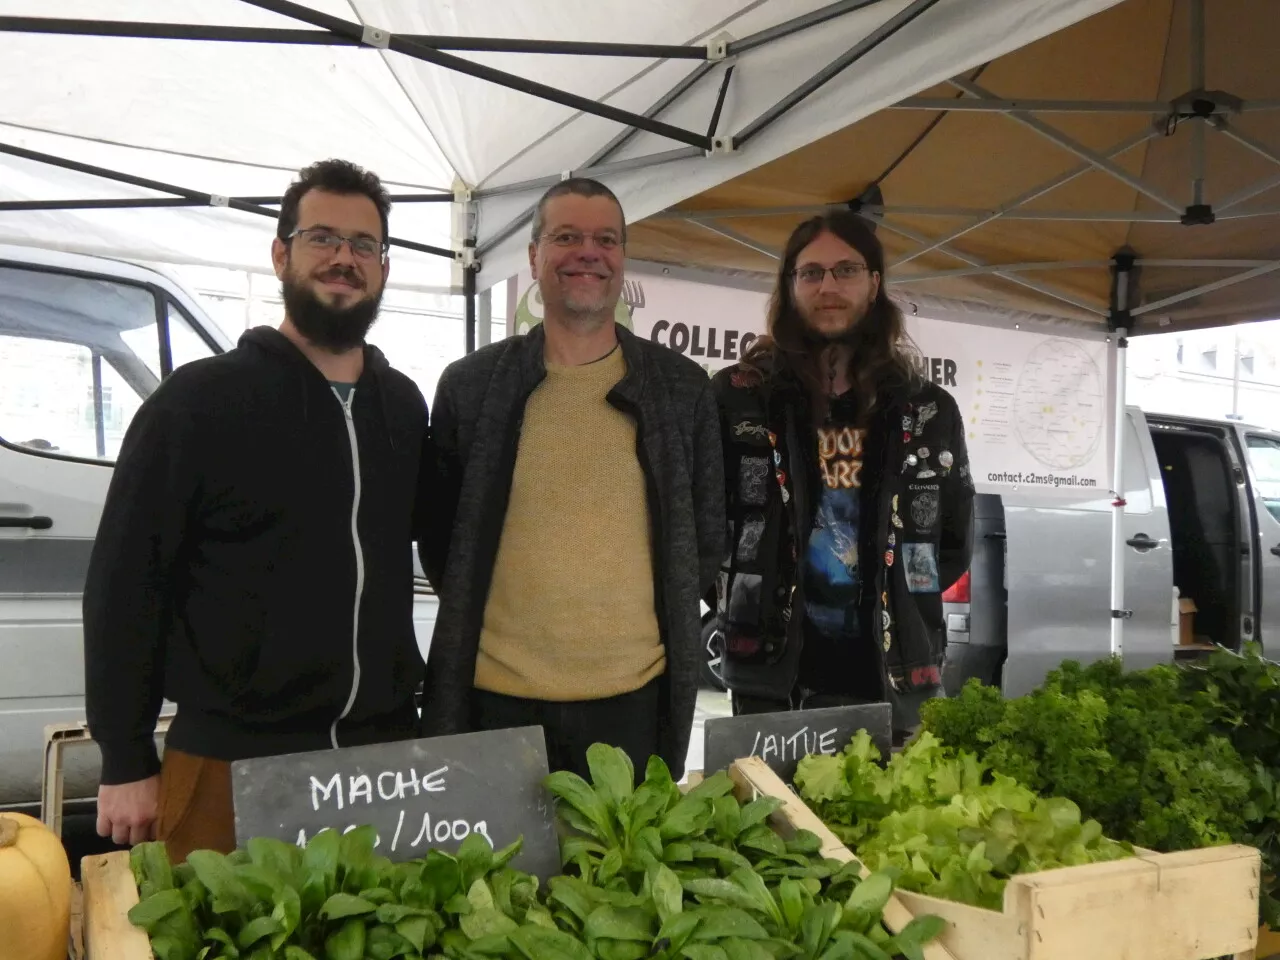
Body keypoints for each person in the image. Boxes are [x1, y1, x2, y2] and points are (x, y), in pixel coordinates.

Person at [84, 159, 432, 861]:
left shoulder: (403, 408)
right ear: (281, 254)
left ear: (384, 267)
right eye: (322, 238)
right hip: (230, 759)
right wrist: (125, 756)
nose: (344, 259)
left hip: (379, 758)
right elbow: (125, 585)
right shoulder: (198, 403)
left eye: (364, 245)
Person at [420, 177, 724, 781]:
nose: (589, 252)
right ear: (533, 256)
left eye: (605, 239)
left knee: (611, 873)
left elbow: (707, 534)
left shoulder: (682, 390)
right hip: (495, 702)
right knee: (492, 876)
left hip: (632, 706)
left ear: (622, 258)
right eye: (567, 237)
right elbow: (440, 541)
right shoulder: (471, 387)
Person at [711, 211, 973, 737]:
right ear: (789, 287)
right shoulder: (740, 396)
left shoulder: (927, 409)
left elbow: (952, 541)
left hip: (894, 667)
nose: (828, 287)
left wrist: (903, 598)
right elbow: (702, 522)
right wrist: (740, 593)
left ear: (875, 284)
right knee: (770, 815)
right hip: (768, 666)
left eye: (846, 270)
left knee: (884, 815)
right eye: (811, 273)